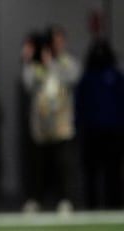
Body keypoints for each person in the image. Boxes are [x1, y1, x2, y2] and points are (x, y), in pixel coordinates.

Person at [20, 25, 81, 215]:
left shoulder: (66, 61)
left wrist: (52, 62)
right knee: (39, 165)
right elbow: (29, 83)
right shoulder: (36, 65)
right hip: (40, 124)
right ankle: (36, 199)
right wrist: (38, 60)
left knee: (64, 164)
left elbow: (73, 77)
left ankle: (66, 199)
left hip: (62, 124)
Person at [75, 37, 124, 209]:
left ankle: (114, 204)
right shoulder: (87, 78)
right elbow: (80, 105)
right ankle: (92, 205)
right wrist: (79, 127)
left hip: (113, 131)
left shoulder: (115, 77)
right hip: (92, 131)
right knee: (91, 172)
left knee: (113, 171)